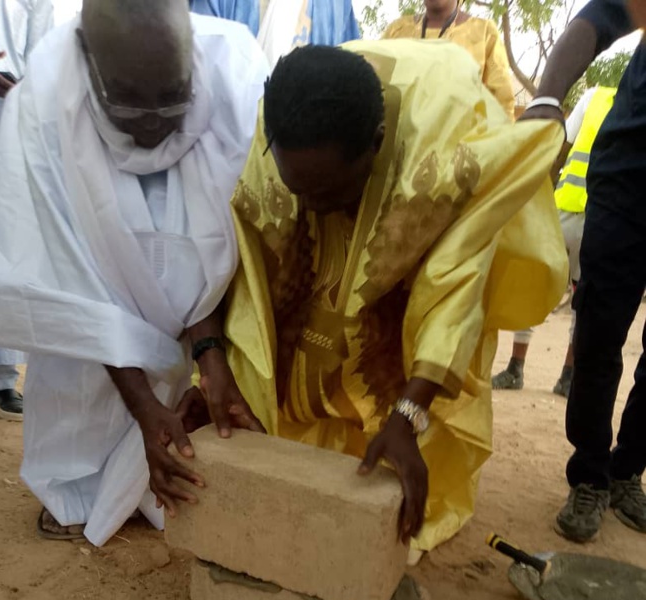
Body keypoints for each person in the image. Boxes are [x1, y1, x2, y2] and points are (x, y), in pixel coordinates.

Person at [184, 41, 567, 562]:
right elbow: (241, 256)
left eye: (328, 194)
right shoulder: (282, 120)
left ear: (377, 144)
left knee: (397, 351)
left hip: (421, 238)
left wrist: (408, 414)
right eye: (299, 189)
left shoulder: (445, 155)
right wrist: (209, 366)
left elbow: (455, 287)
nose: (309, 207)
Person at [0, 0, 268, 544]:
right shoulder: (43, 105)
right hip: (85, 309)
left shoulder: (234, 73)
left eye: (171, 99)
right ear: (89, 69)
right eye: (130, 103)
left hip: (193, 309)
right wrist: (144, 407)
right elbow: (65, 288)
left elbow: (217, 238)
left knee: (185, 439)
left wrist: (210, 357)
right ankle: (75, 490)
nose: (153, 122)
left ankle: (151, 482)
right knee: (79, 389)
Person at [521, 0, 646, 541]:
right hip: (629, 177)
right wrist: (548, 96)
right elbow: (602, 17)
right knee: (598, 333)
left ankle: (627, 471)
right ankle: (589, 475)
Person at [492, 85, 617, 397]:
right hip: (601, 218)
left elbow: (562, 142)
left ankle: (515, 369)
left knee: (532, 282)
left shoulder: (595, 96)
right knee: (581, 299)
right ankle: (567, 377)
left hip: (564, 210)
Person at [0, 0, 54, 421]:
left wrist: (24, 91)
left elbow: (41, 54)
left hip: (7, 115)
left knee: (6, 240)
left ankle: (1, 379)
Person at [383, 0, 515, 120]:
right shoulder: (397, 31)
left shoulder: (484, 32)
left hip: (463, 143)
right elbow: (375, 86)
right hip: (399, 142)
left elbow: (502, 106)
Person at [189, 0, 359, 68]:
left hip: (309, 133)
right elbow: (199, 58)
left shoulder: (338, 5)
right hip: (233, 131)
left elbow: (348, 67)